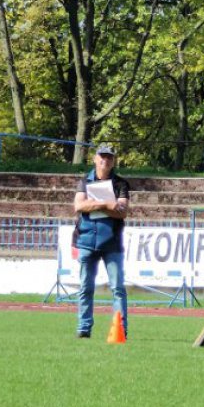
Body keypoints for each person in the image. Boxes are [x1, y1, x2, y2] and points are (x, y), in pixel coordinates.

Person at [72, 143, 130, 339]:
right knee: (85, 288)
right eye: (102, 156)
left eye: (109, 157)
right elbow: (79, 206)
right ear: (95, 159)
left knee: (118, 288)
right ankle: (84, 328)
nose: (105, 160)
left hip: (112, 242)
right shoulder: (84, 182)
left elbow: (122, 212)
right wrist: (106, 204)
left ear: (113, 161)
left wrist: (93, 205)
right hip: (86, 240)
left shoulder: (121, 184)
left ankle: (121, 328)